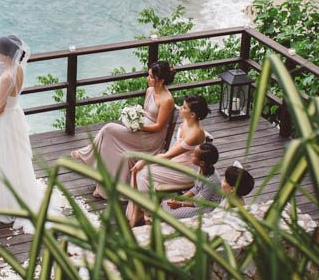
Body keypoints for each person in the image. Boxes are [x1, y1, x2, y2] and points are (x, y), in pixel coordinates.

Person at [0, 35, 61, 232]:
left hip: (4, 122)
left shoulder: (6, 76)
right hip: (16, 116)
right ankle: (17, 195)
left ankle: (5, 202)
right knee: (16, 159)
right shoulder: (18, 69)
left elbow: (0, 108)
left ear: (4, 54)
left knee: (2, 160)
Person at [71, 61, 176, 199]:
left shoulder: (167, 100)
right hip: (141, 129)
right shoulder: (150, 90)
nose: (147, 78)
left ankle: (87, 154)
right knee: (109, 137)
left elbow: (158, 127)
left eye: (151, 77)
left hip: (151, 138)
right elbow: (145, 112)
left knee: (109, 129)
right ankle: (104, 185)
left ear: (161, 80)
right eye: (148, 75)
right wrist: (134, 117)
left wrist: (139, 126)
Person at [128, 94, 210, 227]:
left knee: (142, 173)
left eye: (184, 108)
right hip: (176, 162)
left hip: (187, 171)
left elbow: (168, 155)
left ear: (193, 114)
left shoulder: (195, 133)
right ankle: (140, 211)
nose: (180, 109)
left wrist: (144, 161)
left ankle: (147, 215)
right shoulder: (186, 122)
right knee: (140, 171)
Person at [162, 142, 221, 220]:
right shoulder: (201, 169)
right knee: (164, 204)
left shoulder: (211, 181)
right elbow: (196, 188)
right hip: (197, 198)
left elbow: (199, 203)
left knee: (170, 214)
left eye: (194, 155)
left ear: (202, 163)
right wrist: (180, 198)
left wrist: (180, 204)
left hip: (206, 207)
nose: (191, 155)